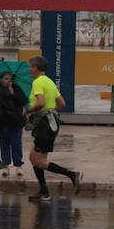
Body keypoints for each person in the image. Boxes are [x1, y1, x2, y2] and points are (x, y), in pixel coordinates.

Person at [25, 55, 80, 200]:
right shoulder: (49, 82)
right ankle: (43, 191)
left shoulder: (37, 82)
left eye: (30, 67)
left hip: (44, 125)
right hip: (49, 123)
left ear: (36, 68)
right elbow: (62, 103)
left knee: (40, 161)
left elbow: (41, 103)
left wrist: (28, 110)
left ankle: (72, 174)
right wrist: (50, 110)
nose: (29, 70)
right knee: (32, 157)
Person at [0, 72, 27, 178]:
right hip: (1, 122)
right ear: (1, 79)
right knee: (4, 144)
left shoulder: (16, 89)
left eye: (10, 79)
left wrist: (13, 93)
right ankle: (6, 166)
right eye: (5, 79)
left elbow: (23, 101)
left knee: (16, 143)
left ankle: (18, 165)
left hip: (16, 121)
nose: (8, 81)